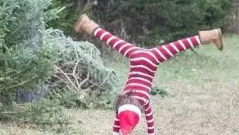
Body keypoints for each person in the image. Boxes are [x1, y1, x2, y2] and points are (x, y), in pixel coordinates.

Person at [74, 14, 224, 135]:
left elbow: (149, 117)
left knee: (177, 46)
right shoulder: (122, 100)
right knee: (115, 42)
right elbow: (117, 121)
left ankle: (88, 25)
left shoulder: (143, 100)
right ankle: (88, 25)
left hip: (150, 59)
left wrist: (151, 133)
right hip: (138, 55)